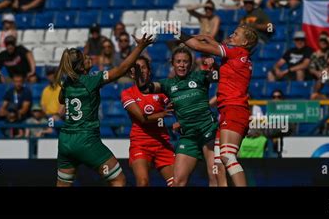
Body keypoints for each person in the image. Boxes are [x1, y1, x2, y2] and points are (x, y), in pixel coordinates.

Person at [54, 34, 154, 187]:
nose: (89, 57)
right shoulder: (92, 80)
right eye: (85, 58)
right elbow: (122, 69)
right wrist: (140, 47)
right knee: (118, 180)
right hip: (86, 140)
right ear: (81, 67)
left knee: (63, 185)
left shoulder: (67, 83)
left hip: (66, 141)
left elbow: (62, 100)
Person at [169, 25, 258, 187]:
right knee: (218, 162)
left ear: (244, 42)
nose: (231, 35)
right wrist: (212, 55)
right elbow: (215, 50)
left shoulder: (236, 52)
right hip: (227, 111)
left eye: (236, 34)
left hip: (234, 110)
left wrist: (177, 32)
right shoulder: (237, 57)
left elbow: (197, 46)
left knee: (227, 156)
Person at [139, 47, 227, 186]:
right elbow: (145, 88)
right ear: (172, 63)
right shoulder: (167, 84)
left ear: (190, 64)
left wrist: (215, 65)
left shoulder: (199, 76)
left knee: (215, 175)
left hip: (208, 132)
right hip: (188, 137)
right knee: (178, 182)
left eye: (185, 62)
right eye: (178, 61)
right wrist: (140, 74)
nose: (182, 65)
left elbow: (221, 76)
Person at [121, 56, 175, 187]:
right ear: (132, 73)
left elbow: (175, 107)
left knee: (177, 182)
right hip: (140, 143)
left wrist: (179, 119)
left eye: (143, 67)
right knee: (143, 182)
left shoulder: (161, 90)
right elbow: (141, 119)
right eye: (137, 68)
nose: (141, 71)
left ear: (149, 71)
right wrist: (162, 114)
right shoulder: (127, 93)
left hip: (162, 142)